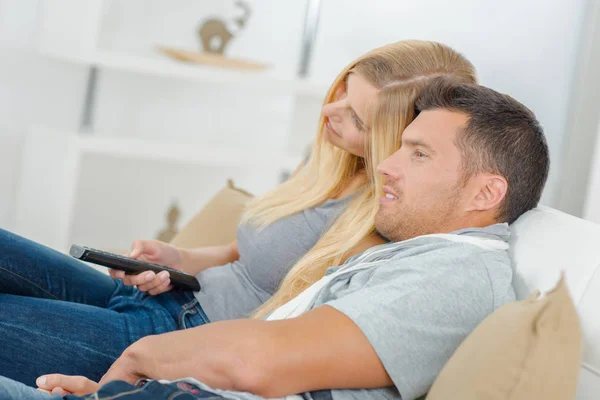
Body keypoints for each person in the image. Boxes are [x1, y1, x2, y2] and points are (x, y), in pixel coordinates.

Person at [0, 78, 550, 400]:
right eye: (401, 146)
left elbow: (256, 363)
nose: (389, 166)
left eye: (420, 154)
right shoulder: (422, 255)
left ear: (486, 193)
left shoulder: (455, 277)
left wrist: (137, 362)